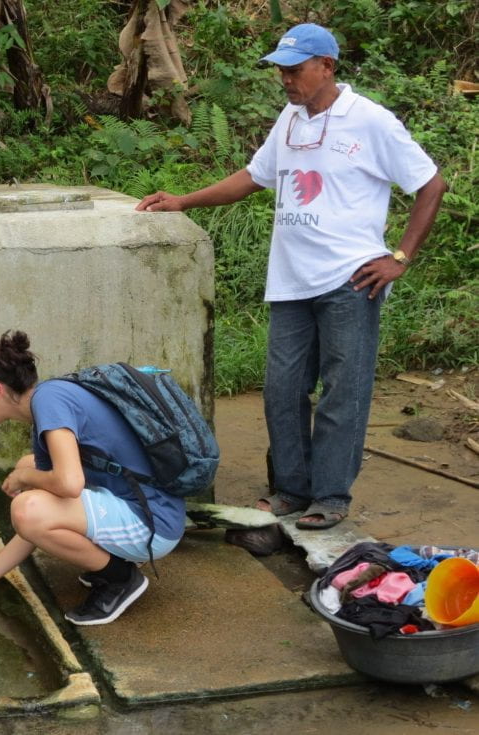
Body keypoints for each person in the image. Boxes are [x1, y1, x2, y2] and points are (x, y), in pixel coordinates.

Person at [135, 24, 446, 530]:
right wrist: (182, 200)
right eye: (280, 69)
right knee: (282, 389)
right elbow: (255, 176)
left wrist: (401, 257)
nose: (285, 79)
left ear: (327, 66)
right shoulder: (291, 119)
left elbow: (431, 183)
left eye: (294, 69)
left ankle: (330, 496)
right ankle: (289, 491)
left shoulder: (370, 121)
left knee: (342, 391)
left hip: (351, 280)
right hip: (291, 281)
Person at [0, 331, 186, 625]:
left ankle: (119, 579)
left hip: (154, 524)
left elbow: (68, 486)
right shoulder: (49, 401)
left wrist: (23, 477)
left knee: (27, 500)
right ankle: (109, 564)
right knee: (29, 481)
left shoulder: (49, 402)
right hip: (143, 505)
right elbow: (33, 527)